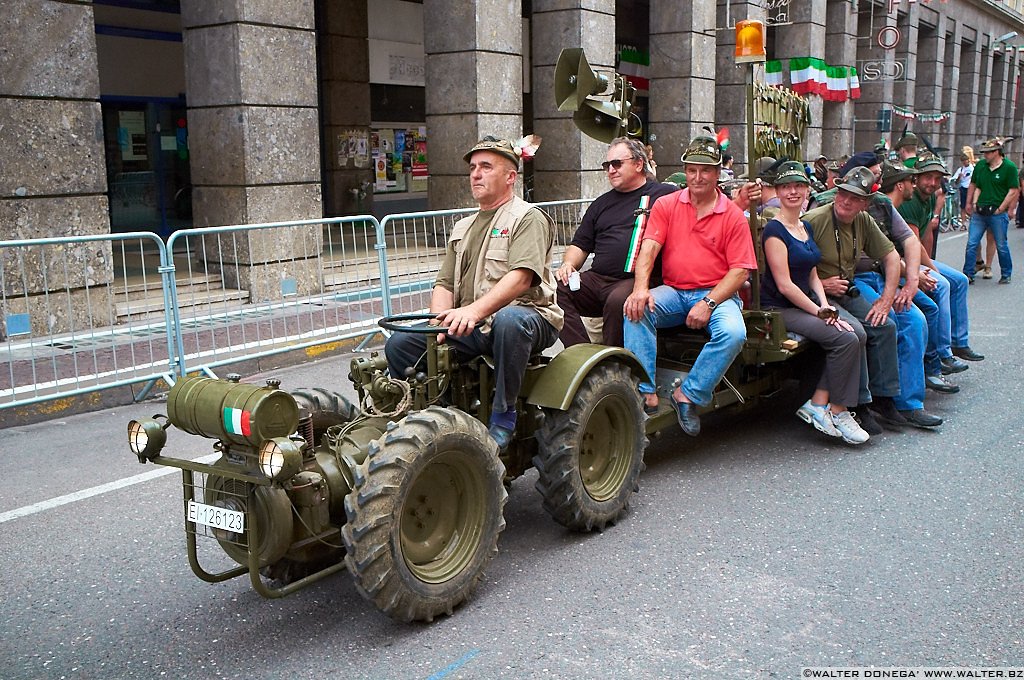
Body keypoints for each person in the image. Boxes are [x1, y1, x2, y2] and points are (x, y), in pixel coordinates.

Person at [384, 136, 562, 451]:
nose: (475, 174)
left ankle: (503, 413)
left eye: (486, 167)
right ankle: (437, 417)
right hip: (476, 324)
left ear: (510, 177)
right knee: (401, 344)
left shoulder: (527, 217)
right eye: (473, 168)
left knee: (509, 320)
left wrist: (473, 312)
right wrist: (438, 324)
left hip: (530, 319)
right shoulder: (463, 226)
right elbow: (445, 284)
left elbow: (522, 278)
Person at [623, 135, 757, 436]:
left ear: (717, 173)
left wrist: (708, 302)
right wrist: (640, 288)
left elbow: (739, 272)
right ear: (685, 170)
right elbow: (649, 247)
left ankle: (690, 393)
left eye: (705, 170)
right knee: (634, 308)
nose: (698, 177)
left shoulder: (732, 215)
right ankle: (646, 390)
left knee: (734, 333)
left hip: (718, 295)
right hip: (675, 290)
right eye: (692, 169)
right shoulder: (667, 204)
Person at [803, 166, 933, 432]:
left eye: (854, 198)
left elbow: (890, 256)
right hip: (814, 293)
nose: (845, 201)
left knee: (885, 324)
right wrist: (820, 283)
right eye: (842, 194)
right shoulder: (814, 219)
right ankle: (859, 404)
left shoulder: (863, 220)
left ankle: (884, 400)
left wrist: (886, 299)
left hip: (845, 289)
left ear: (865, 203)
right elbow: (791, 261)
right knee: (857, 330)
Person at [759, 161, 869, 444]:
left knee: (858, 333)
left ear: (807, 191)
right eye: (786, 187)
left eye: (798, 186)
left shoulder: (804, 226)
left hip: (807, 302)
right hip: (781, 308)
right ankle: (836, 408)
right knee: (844, 338)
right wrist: (820, 312)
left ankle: (821, 404)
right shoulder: (774, 231)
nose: (793, 192)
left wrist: (824, 303)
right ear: (779, 192)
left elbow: (812, 274)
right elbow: (785, 285)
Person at [554, 137, 678, 348]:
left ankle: (614, 363)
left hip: (637, 281)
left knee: (618, 300)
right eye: (607, 165)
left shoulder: (664, 194)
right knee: (556, 289)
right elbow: (580, 244)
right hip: (598, 279)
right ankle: (582, 355)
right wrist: (568, 264)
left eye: (617, 163)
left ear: (639, 164)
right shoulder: (601, 204)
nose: (611, 170)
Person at [895, 153, 985, 365]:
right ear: (917, 178)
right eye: (928, 177)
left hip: (916, 256)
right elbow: (913, 243)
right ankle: (944, 353)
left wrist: (932, 264)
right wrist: (931, 268)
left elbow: (927, 237)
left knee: (960, 280)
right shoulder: (910, 201)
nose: (933, 183)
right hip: (901, 258)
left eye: (937, 178)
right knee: (942, 284)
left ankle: (959, 342)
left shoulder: (932, 198)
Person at [965, 137, 1017, 284]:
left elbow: (1013, 189)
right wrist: (973, 203)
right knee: (972, 243)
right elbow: (977, 185)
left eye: (988, 153)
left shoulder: (1009, 167)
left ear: (996, 152)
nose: (985, 156)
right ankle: (968, 273)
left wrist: (1003, 208)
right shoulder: (981, 166)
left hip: (997, 212)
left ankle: (1006, 273)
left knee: (1001, 244)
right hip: (980, 211)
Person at [951, 147, 975, 228]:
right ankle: (963, 224)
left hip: (971, 189)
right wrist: (959, 177)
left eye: (966, 160)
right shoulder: (960, 170)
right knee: (963, 206)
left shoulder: (973, 168)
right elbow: (956, 182)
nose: (965, 162)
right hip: (963, 189)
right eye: (963, 161)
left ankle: (973, 220)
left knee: (971, 205)